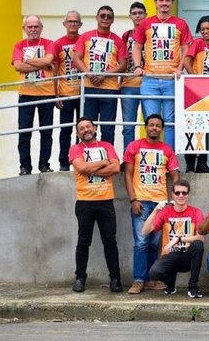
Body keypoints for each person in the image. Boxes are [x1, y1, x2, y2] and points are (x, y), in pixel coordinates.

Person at [123, 114, 180, 295]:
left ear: (161, 130)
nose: (154, 128)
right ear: (146, 127)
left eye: (158, 126)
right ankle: (139, 280)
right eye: (151, 125)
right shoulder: (134, 146)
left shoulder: (167, 150)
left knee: (155, 244)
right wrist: (133, 199)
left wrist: (173, 198)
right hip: (141, 202)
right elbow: (127, 175)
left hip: (161, 204)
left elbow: (175, 175)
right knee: (141, 242)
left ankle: (151, 279)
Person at [132, 0, 193, 151]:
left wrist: (180, 68)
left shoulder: (181, 23)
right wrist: (138, 66)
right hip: (150, 80)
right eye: (161, 0)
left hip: (171, 81)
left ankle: (169, 158)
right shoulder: (146, 23)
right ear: (155, 3)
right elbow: (137, 47)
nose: (164, 3)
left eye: (167, 0)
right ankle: (152, 156)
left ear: (172, 3)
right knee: (151, 122)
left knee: (170, 121)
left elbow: (186, 49)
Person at [68, 117, 122, 293]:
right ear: (78, 133)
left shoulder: (107, 146)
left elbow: (116, 168)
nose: (85, 130)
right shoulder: (75, 149)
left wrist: (93, 167)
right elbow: (82, 169)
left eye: (88, 126)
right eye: (81, 128)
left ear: (95, 128)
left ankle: (115, 279)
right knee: (83, 242)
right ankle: (80, 278)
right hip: (85, 202)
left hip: (106, 201)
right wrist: (103, 162)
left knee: (110, 242)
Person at [72, 5, 127, 145]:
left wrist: (105, 75)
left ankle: (108, 159)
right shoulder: (85, 36)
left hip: (109, 90)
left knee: (108, 128)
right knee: (87, 127)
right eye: (102, 15)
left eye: (109, 16)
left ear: (113, 20)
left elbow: (123, 64)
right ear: (97, 18)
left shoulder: (118, 40)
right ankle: (87, 157)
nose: (105, 18)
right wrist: (89, 73)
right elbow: (76, 58)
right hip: (89, 88)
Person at [142, 179, 206, 298]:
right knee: (153, 273)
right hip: (170, 255)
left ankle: (193, 287)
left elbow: (201, 238)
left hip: (188, 255)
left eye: (184, 193)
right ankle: (170, 282)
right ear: (172, 195)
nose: (181, 195)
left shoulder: (196, 212)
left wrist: (177, 239)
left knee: (198, 245)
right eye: (177, 193)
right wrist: (156, 210)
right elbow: (145, 231)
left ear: (188, 195)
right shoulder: (166, 212)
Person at [12, 15, 56, 175]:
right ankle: (25, 167)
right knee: (24, 132)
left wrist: (27, 62)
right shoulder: (19, 45)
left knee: (46, 132)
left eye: (36, 26)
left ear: (41, 28)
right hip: (26, 93)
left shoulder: (49, 43)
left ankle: (44, 165)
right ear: (24, 29)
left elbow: (49, 60)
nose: (33, 30)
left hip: (47, 93)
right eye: (30, 27)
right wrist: (41, 61)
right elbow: (17, 66)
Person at [182, 15, 209, 173]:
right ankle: (190, 165)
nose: (205, 31)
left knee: (206, 127)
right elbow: (187, 61)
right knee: (193, 126)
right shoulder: (198, 43)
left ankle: (202, 163)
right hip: (195, 90)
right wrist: (194, 77)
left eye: (208, 28)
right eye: (202, 29)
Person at [53, 10, 83, 171]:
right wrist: (56, 94)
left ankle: (81, 161)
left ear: (80, 24)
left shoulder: (85, 40)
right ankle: (64, 162)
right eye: (70, 21)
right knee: (65, 130)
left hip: (84, 94)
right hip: (66, 93)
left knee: (84, 130)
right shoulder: (58, 44)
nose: (73, 24)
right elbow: (55, 71)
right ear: (64, 24)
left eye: (75, 21)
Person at [120, 1, 146, 149]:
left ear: (145, 15)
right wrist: (120, 81)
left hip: (148, 83)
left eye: (140, 13)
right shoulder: (127, 35)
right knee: (128, 125)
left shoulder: (150, 33)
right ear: (130, 16)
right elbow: (122, 59)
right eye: (134, 13)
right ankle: (127, 156)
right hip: (128, 84)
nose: (137, 16)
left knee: (152, 122)